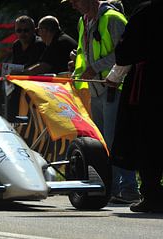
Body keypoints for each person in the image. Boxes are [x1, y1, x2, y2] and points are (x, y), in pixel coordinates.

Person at [66, 0, 139, 203]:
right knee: (102, 142)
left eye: (75, 1)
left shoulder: (113, 18)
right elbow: (83, 51)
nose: (73, 5)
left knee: (116, 139)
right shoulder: (84, 20)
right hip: (96, 88)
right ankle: (112, 187)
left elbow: (125, 52)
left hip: (114, 86)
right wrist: (77, 69)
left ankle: (128, 188)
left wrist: (95, 67)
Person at [105, 1, 161, 212]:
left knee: (149, 138)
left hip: (151, 85)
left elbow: (126, 51)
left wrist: (116, 74)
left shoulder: (147, 10)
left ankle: (152, 194)